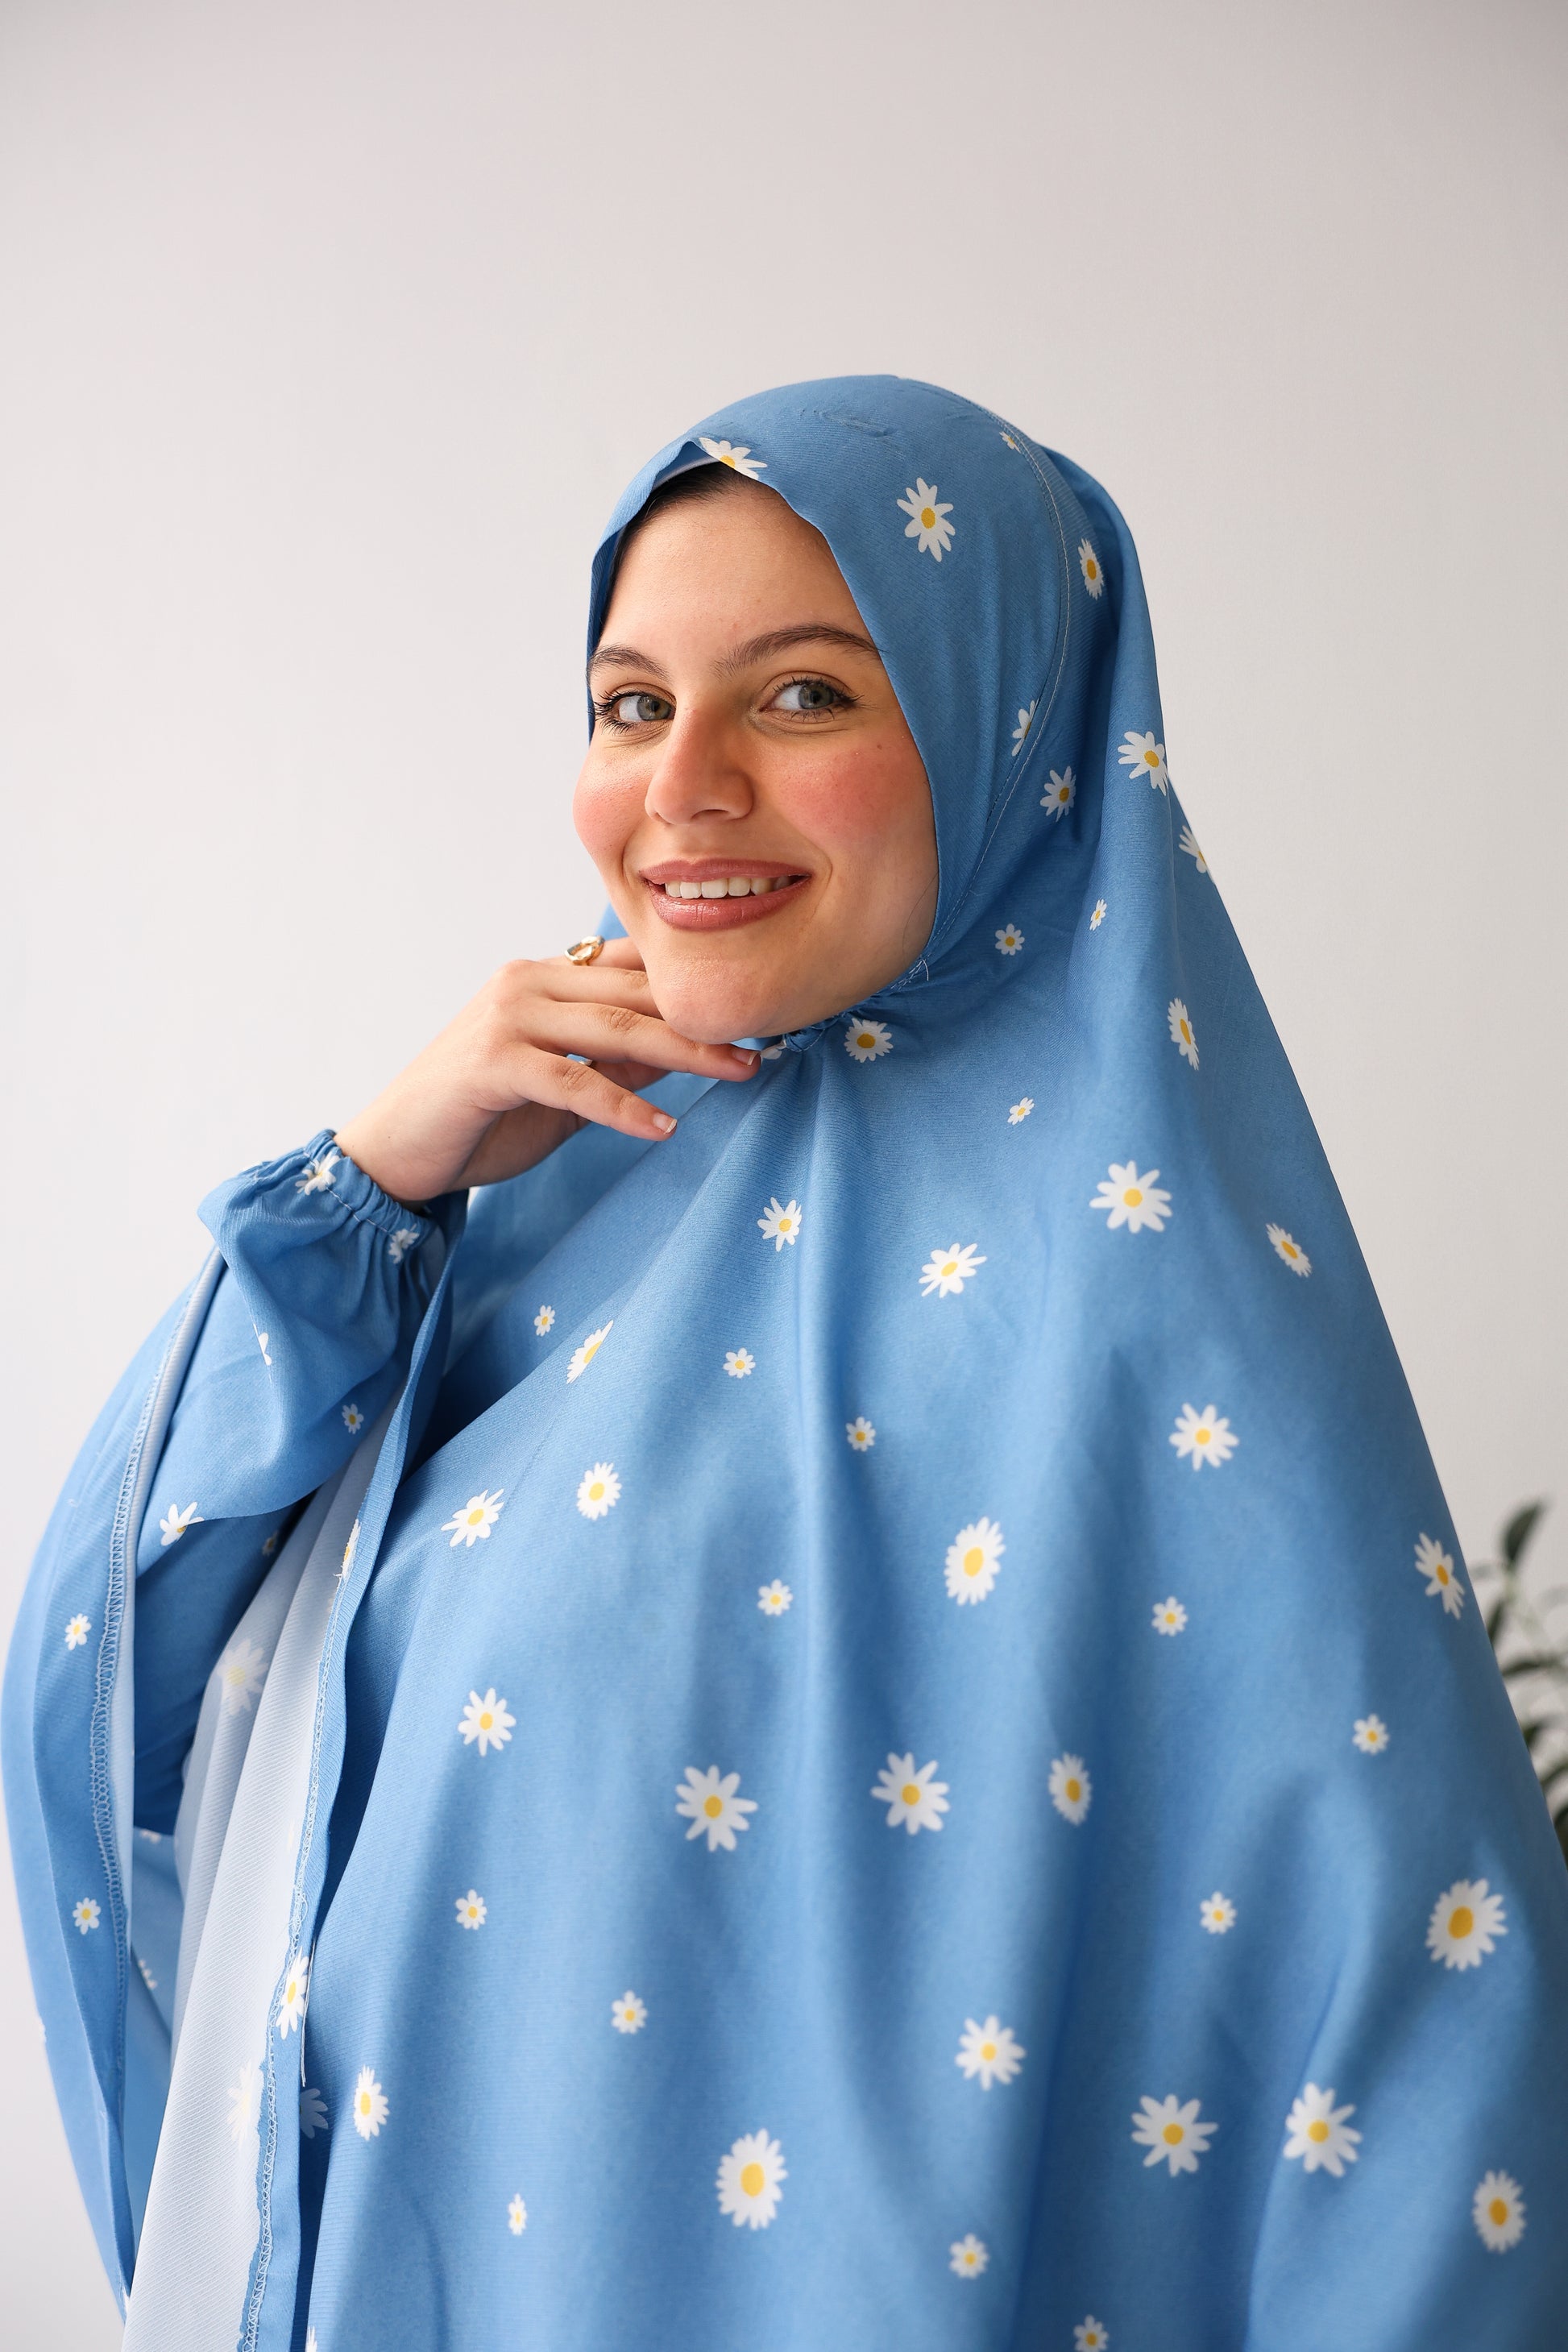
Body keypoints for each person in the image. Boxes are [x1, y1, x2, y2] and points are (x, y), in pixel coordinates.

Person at [6, 375, 1566, 2350]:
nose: (682, 784)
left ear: (1009, 726)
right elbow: (111, 1670)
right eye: (630, 702)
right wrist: (368, 1189)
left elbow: (1434, 2063)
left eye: (804, 692)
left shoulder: (1161, 1331)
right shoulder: (539, 1217)